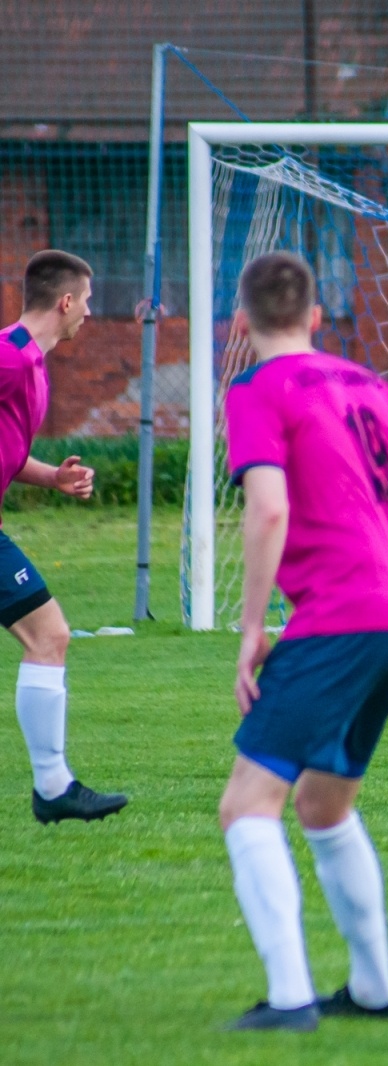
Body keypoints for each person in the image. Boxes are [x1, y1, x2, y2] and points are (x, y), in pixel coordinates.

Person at [217, 252, 388, 1031]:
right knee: (323, 804)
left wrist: (252, 627)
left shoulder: (255, 389)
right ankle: (372, 991)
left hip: (338, 616)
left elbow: (267, 510)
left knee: (247, 804)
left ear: (240, 322)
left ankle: (289, 998)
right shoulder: (372, 386)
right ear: (317, 317)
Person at [3, 250, 127, 823]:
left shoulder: (30, 363)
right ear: (66, 301)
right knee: (48, 635)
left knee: (49, 635)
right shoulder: (9, 357)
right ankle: (53, 788)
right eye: (88, 301)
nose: (91, 313)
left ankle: (54, 788)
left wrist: (53, 477)